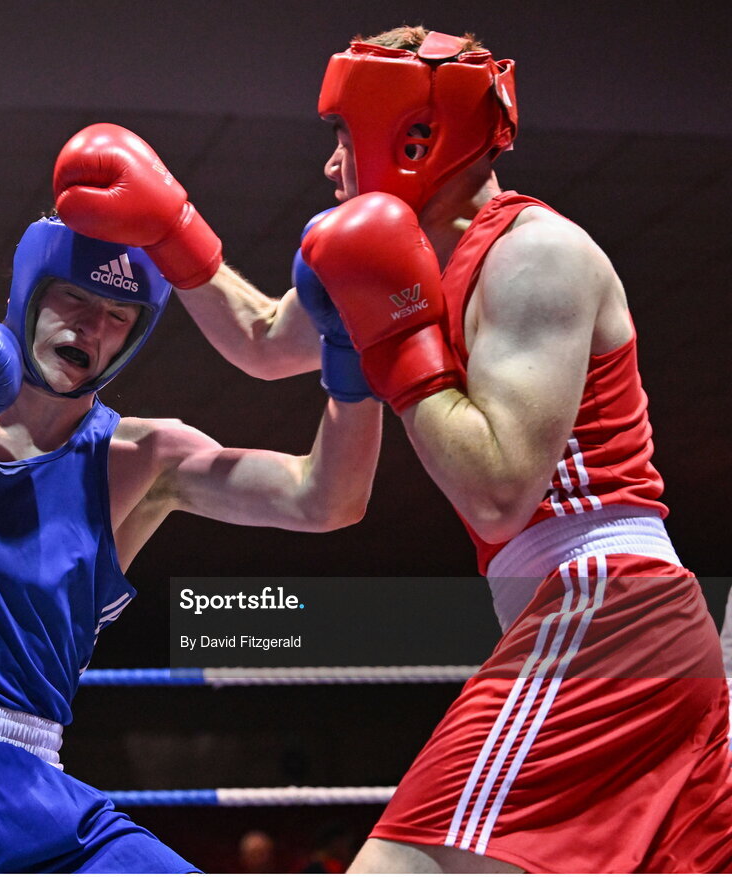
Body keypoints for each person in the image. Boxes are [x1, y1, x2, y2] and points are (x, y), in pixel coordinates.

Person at [51, 26, 732, 874]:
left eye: (344, 137)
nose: (332, 167)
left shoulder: (535, 257)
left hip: (605, 609)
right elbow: (266, 341)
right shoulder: (395, 258)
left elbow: (499, 490)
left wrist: (399, 337)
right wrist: (172, 228)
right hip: (593, 622)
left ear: (414, 139)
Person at [0, 213, 382, 873]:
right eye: (76, 298)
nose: (91, 325)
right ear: (29, 292)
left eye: (118, 313)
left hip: (35, 795)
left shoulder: (142, 457)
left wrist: (351, 351)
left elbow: (328, 500)